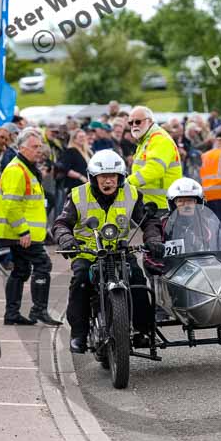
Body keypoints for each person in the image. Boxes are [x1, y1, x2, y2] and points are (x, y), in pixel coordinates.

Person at [52, 149, 162, 354]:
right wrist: (66, 239)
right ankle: (79, 334)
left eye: (112, 176)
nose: (108, 181)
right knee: (81, 281)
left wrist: (154, 239)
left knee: (137, 279)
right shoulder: (77, 195)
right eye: (103, 177)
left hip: (120, 250)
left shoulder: (132, 193)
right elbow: (61, 223)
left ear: (120, 177)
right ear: (94, 177)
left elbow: (148, 221)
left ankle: (143, 330)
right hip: (87, 252)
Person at [0, 130, 62, 326]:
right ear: (22, 147)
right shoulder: (17, 170)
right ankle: (38, 310)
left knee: (21, 270)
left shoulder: (26, 168)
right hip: (22, 233)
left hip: (23, 232)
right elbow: (11, 204)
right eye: (34, 147)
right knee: (43, 265)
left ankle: (12, 313)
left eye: (39, 146)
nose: (38, 150)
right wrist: (23, 230)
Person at [126, 106, 182, 216]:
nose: (134, 125)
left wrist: (128, 183)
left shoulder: (159, 139)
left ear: (150, 121)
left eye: (138, 122)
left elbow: (155, 169)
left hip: (161, 206)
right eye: (130, 123)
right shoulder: (146, 140)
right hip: (152, 204)